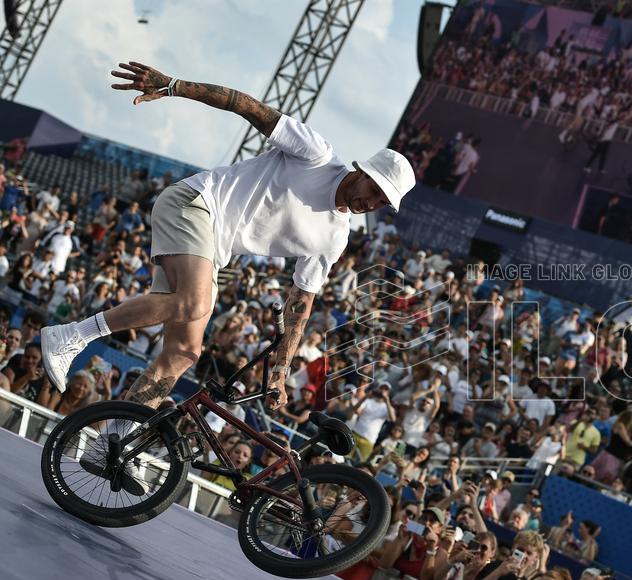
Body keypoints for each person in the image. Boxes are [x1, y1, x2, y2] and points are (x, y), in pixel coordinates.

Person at [40, 60, 415, 413]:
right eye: (375, 190)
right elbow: (247, 106)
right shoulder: (316, 154)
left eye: (384, 202)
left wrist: (281, 370)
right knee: (193, 302)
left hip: (213, 249)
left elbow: (300, 304)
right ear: (362, 171)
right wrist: (172, 86)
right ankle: (70, 336)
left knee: (185, 351)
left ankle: (115, 441)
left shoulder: (335, 238)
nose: (374, 203)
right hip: (194, 203)